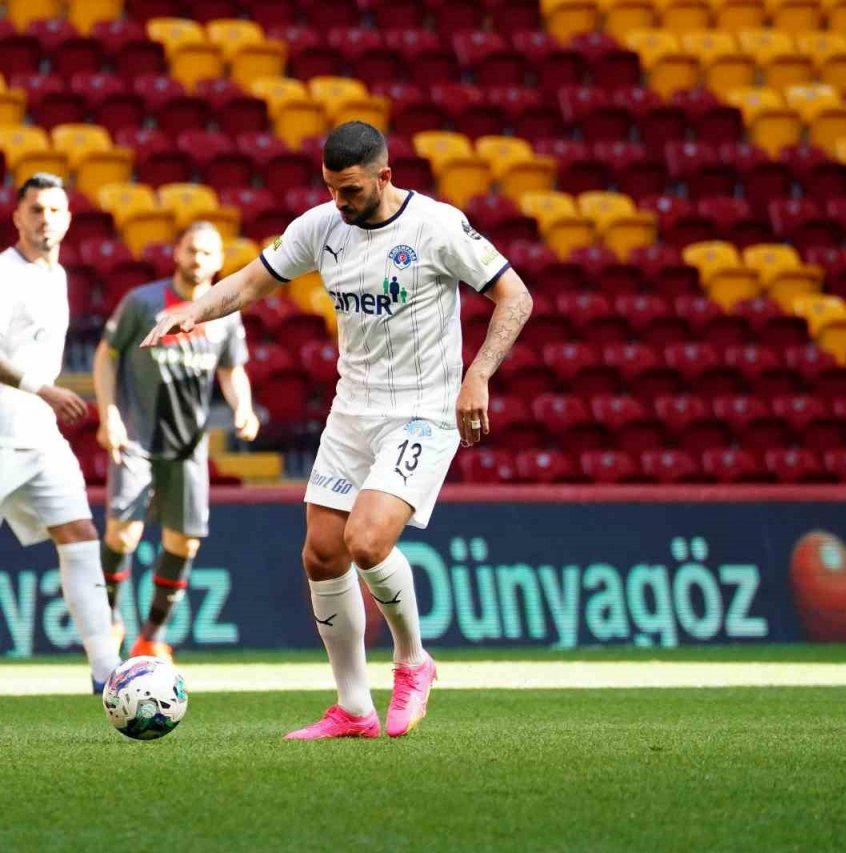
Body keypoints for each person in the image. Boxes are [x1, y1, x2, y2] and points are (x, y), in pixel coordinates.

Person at [140, 121, 533, 739]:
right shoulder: (321, 227)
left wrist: (478, 375)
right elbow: (250, 282)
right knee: (322, 554)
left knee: (367, 541)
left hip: (423, 408)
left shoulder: (436, 226)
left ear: (385, 177)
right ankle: (354, 708)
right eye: (330, 189)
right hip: (353, 408)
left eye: (349, 191)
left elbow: (516, 296)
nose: (339, 203)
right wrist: (195, 309)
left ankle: (412, 661)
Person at [92, 221, 258, 663]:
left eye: (207, 253)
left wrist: (242, 406)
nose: (198, 259)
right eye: (191, 250)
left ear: (220, 262)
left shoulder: (224, 312)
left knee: (184, 542)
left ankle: (152, 637)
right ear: (177, 253)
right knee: (122, 533)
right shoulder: (142, 302)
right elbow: (106, 357)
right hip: (137, 438)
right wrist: (108, 415)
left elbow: (231, 368)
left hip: (188, 445)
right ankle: (107, 622)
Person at [0, 173, 121, 693]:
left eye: (54, 210)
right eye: (36, 209)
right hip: (3, 430)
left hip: (40, 436)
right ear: (17, 216)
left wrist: (42, 400)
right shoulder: (5, 274)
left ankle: (106, 672)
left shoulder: (57, 275)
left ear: (68, 219)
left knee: (79, 537)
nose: (45, 218)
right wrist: (42, 389)